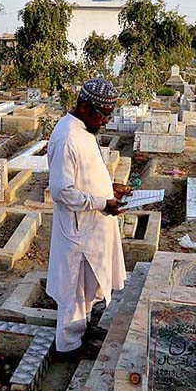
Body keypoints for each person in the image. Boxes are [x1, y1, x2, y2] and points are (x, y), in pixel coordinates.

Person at [46, 78, 131, 354]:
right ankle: (69, 346)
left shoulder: (83, 130)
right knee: (74, 289)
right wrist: (101, 202)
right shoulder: (68, 137)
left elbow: (86, 174)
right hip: (78, 228)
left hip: (92, 225)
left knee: (90, 282)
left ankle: (83, 327)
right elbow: (61, 191)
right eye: (102, 115)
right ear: (84, 107)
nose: (105, 121)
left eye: (108, 115)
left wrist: (111, 188)